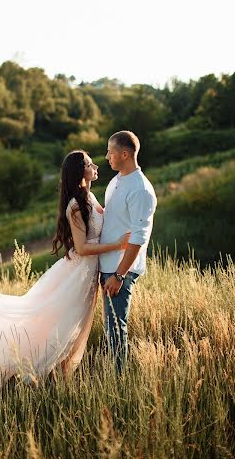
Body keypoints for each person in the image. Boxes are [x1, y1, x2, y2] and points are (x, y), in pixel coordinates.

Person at [0, 150, 129, 385]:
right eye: (90, 164)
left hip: (87, 275)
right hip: (78, 275)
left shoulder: (89, 197)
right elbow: (81, 248)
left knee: (75, 329)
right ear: (81, 172)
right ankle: (48, 377)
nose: (95, 166)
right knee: (65, 328)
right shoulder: (75, 206)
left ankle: (62, 380)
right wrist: (117, 245)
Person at [99, 131, 157, 373]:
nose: (107, 157)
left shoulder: (141, 189)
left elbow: (138, 238)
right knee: (109, 326)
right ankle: (114, 374)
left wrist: (120, 275)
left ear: (125, 154)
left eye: (111, 153)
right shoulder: (117, 180)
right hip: (107, 265)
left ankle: (118, 380)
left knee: (116, 327)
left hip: (119, 270)